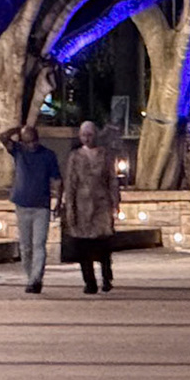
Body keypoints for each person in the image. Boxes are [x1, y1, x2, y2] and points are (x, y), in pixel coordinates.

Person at [61, 119, 122, 293]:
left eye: (89, 135)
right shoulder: (75, 157)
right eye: (83, 135)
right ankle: (89, 281)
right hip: (82, 207)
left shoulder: (105, 155)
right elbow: (70, 183)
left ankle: (106, 276)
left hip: (101, 206)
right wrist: (69, 207)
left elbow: (112, 180)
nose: (86, 138)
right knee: (83, 247)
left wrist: (115, 202)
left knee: (103, 245)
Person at [2, 124, 62, 293]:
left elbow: (57, 179)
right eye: (28, 142)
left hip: (41, 205)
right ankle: (30, 277)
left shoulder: (48, 155)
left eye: (34, 141)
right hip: (22, 203)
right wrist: (17, 129)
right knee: (25, 246)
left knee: (39, 244)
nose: (32, 145)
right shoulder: (18, 151)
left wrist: (58, 201)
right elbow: (2, 137)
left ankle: (36, 278)